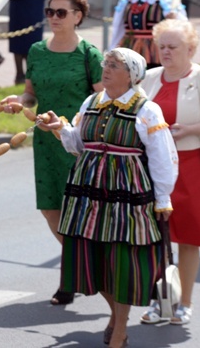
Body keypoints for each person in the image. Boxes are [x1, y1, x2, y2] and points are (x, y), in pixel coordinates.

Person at [39, 48, 178, 348]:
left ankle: (120, 330)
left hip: (126, 193)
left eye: (115, 65)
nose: (106, 69)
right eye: (106, 63)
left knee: (122, 260)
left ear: (132, 75)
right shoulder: (91, 102)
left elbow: (162, 158)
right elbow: (79, 144)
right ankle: (115, 314)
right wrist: (59, 127)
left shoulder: (147, 110)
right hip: (88, 191)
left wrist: (163, 198)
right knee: (95, 257)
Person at [1, 0, 103, 306]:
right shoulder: (37, 51)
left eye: (61, 12)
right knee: (50, 210)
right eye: (50, 11)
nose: (53, 17)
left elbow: (102, 100)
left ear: (78, 16)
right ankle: (82, 265)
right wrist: (18, 100)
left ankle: (73, 276)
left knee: (78, 212)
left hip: (77, 144)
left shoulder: (89, 54)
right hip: (46, 143)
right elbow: (31, 93)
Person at [141, 19, 200, 325]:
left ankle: (185, 302)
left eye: (173, 47)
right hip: (154, 167)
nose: (165, 52)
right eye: (162, 46)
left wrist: (189, 129)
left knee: (188, 238)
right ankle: (159, 301)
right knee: (154, 237)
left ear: (191, 49)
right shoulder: (150, 78)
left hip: (191, 164)